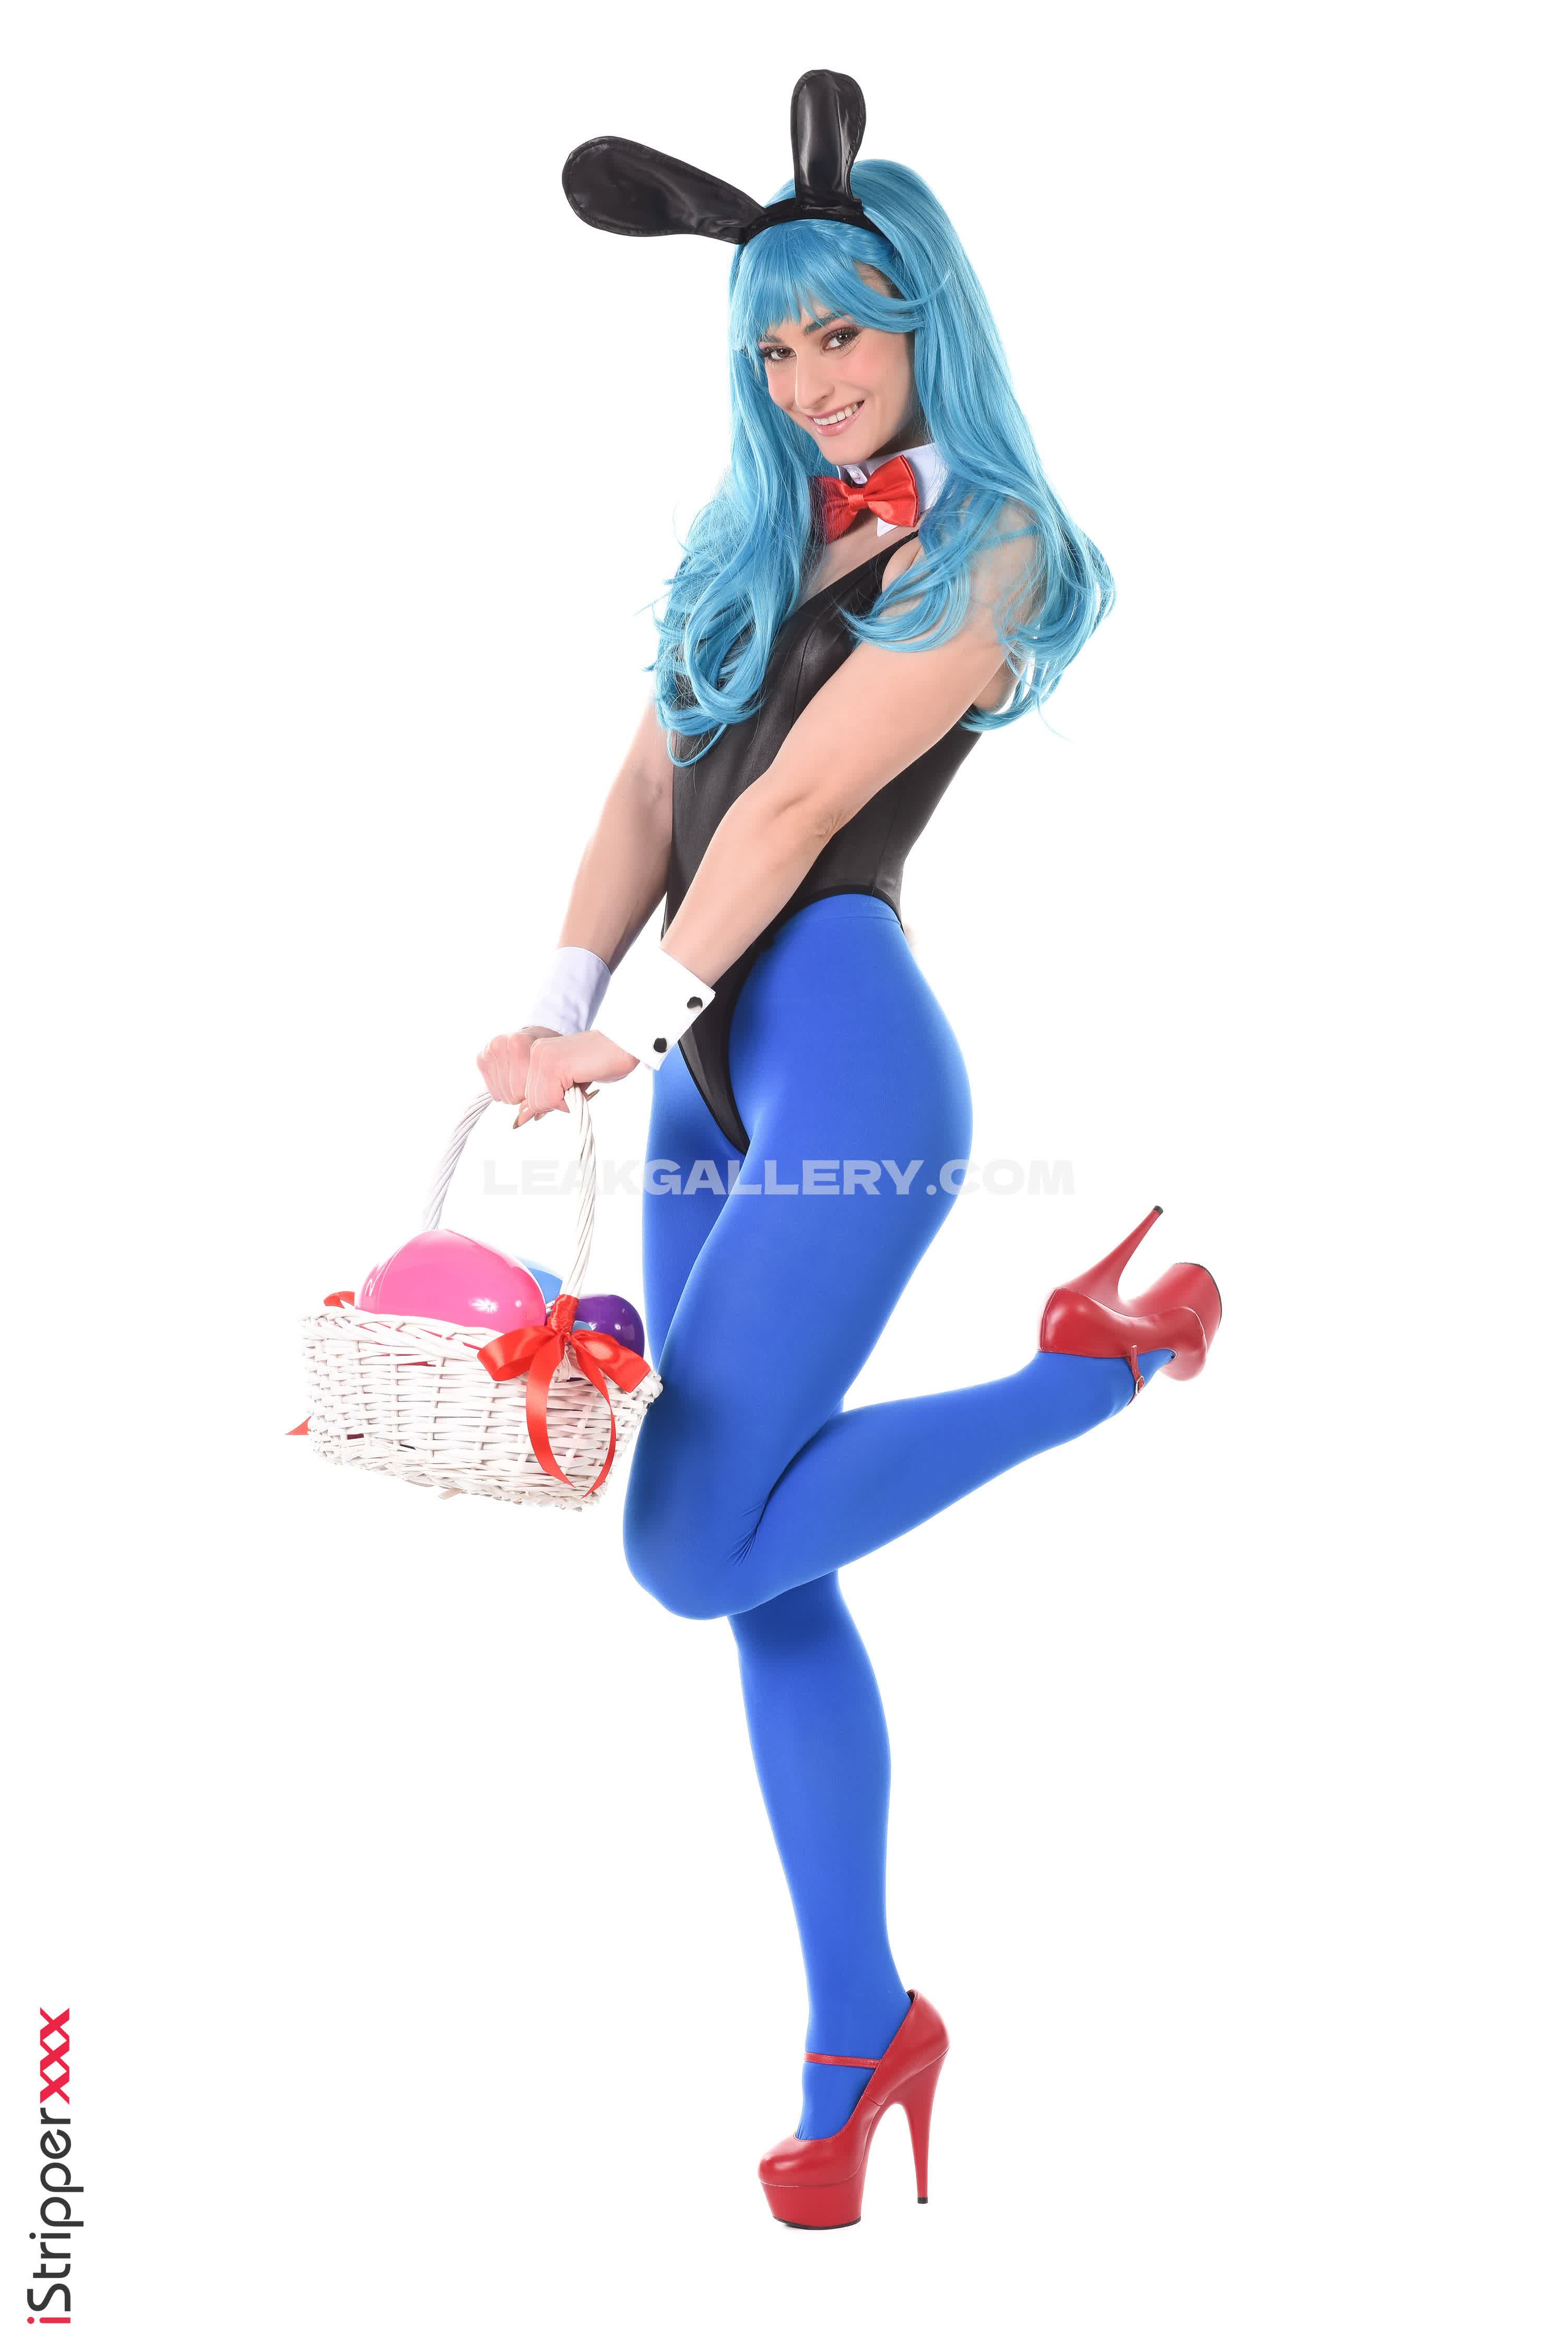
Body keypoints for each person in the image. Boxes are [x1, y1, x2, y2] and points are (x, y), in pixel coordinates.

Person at [477, 70, 1222, 2229]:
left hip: (842, 1062)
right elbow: (649, 797)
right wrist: (555, 1000)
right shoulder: (749, 539)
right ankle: (857, 2030)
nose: (810, 379)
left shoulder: (991, 537)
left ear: (923, 321)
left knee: (684, 1544)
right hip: (696, 1076)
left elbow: (802, 807)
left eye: (845, 332)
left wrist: (634, 1025)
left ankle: (1089, 1372)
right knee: (761, 1568)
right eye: (775, 346)